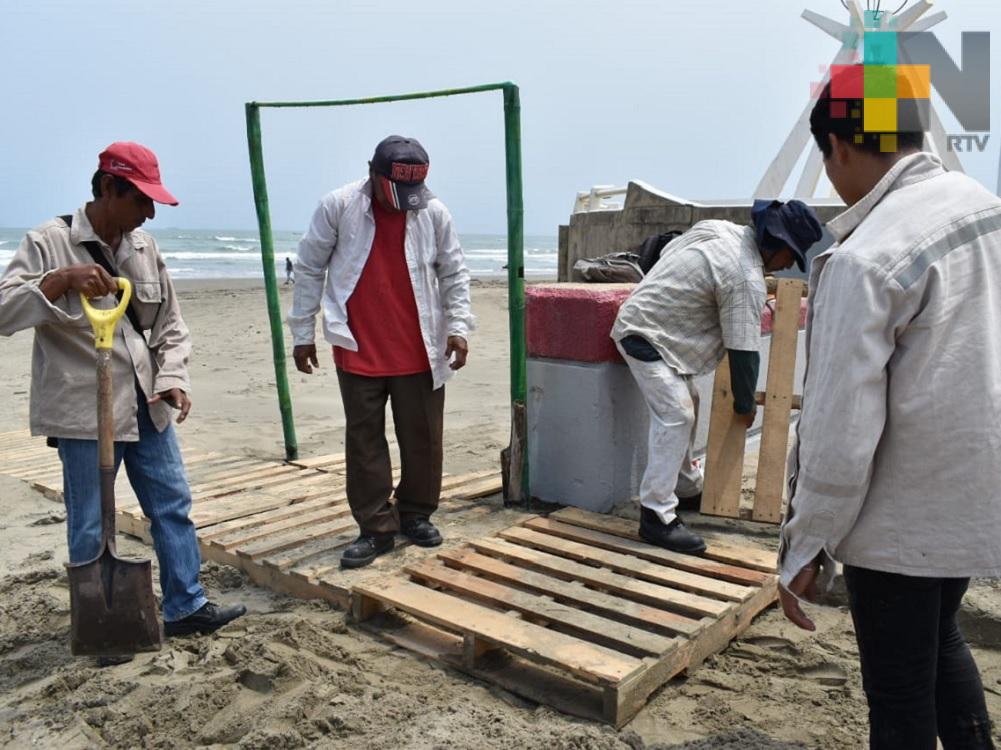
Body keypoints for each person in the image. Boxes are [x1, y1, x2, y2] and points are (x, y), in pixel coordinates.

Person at [779, 73, 999, 749]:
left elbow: (839, 431)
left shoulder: (865, 257)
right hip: (971, 487)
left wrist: (804, 541)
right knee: (937, 641)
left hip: (899, 511)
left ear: (837, 147)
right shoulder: (981, 206)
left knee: (897, 697)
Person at [0, 142, 246, 641]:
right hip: (81, 409)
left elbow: (171, 326)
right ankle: (102, 623)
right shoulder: (48, 241)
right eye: (141, 200)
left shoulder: (143, 249)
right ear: (109, 188)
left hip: (145, 400)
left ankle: (186, 606)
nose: (150, 213)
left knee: (171, 503)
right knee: (90, 519)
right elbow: (4, 312)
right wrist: (59, 280)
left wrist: (174, 378)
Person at [288, 135, 474, 569]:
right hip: (358, 345)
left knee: (423, 438)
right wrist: (302, 333)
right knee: (365, 440)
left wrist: (459, 329)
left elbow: (454, 273)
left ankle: (415, 513)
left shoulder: (433, 211)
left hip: (420, 348)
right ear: (373, 175)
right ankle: (375, 527)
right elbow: (310, 266)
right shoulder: (338, 206)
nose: (405, 203)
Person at [611, 201, 822, 554]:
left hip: (656, 329)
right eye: (790, 255)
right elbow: (743, 353)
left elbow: (670, 249)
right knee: (677, 414)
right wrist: (744, 403)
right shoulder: (744, 277)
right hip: (644, 334)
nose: (788, 265)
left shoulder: (722, 230)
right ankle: (656, 515)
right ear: (775, 243)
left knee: (687, 402)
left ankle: (687, 487)